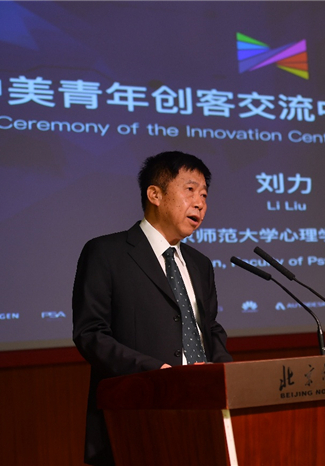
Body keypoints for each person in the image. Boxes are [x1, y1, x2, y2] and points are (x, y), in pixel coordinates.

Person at [72, 151, 233, 466]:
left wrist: (226, 375)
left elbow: (210, 328)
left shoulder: (200, 264)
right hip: (137, 417)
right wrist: (157, 373)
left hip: (204, 412)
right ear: (155, 194)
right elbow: (90, 334)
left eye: (204, 195)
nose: (200, 203)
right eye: (190, 190)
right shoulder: (106, 253)